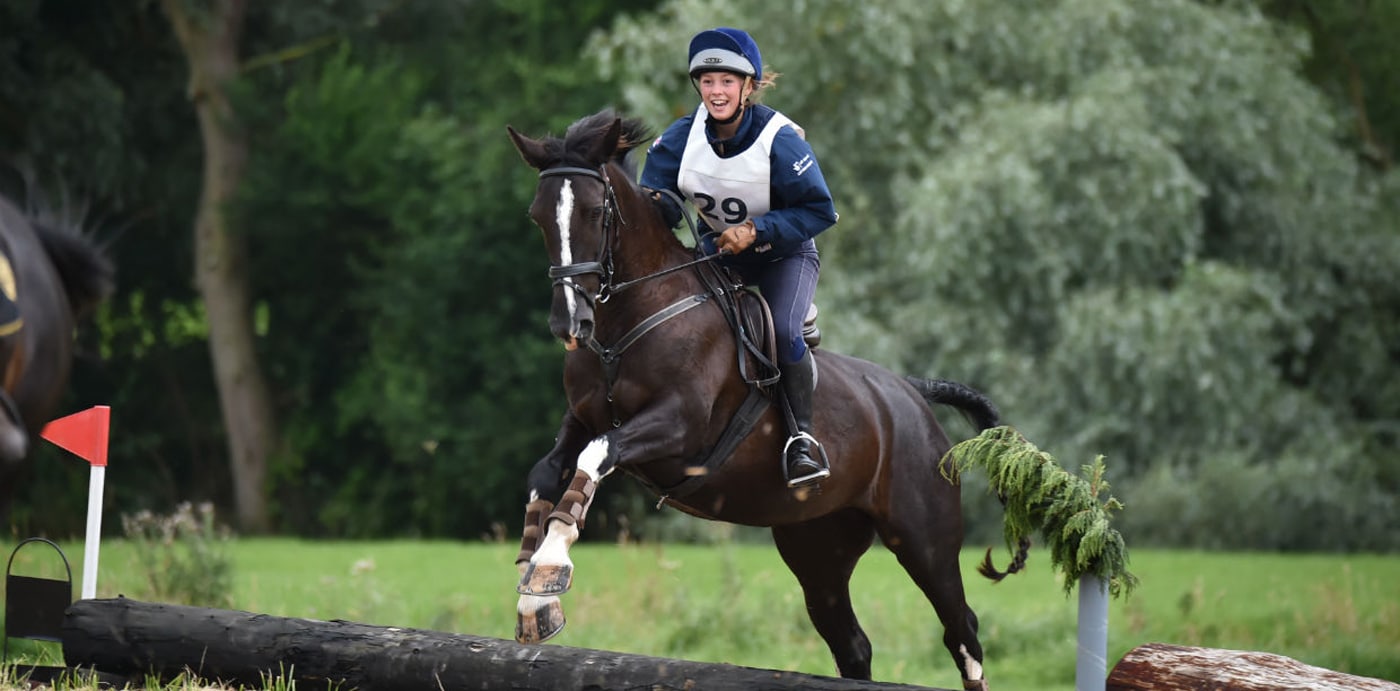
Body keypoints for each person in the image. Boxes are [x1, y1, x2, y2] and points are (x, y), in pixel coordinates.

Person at [640, 27, 838, 489]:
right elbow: (662, 202)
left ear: (748, 87)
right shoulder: (679, 138)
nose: (716, 92)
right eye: (707, 83)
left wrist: (756, 230)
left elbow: (819, 210)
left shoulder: (780, 139)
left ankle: (803, 441)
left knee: (784, 329)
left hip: (785, 255)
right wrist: (652, 203)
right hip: (719, 253)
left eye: (727, 81)